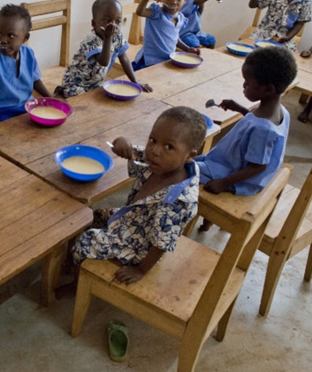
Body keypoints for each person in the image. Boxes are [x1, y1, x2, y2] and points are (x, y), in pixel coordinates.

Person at [58, 106, 206, 292]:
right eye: (153, 140)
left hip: (138, 245)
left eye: (169, 147)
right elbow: (134, 153)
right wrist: (122, 142)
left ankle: (76, 284)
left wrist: (140, 270)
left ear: (189, 156)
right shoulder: (160, 162)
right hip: (130, 220)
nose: (155, 151)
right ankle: (72, 262)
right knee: (89, 218)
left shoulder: (176, 202)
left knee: (86, 241)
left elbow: (161, 244)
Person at [194, 47, 296, 230]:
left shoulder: (263, 128)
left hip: (235, 176)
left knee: (180, 168)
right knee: (193, 159)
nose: (243, 86)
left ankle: (185, 214)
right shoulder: (279, 111)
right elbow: (255, 129)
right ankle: (208, 220)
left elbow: (258, 166)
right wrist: (241, 110)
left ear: (268, 89)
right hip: (231, 163)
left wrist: (224, 183)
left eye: (247, 83)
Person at [0, 4, 53, 125]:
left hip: (24, 106)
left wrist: (51, 99)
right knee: (12, 133)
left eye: (10, 35)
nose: (3, 40)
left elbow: (35, 80)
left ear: (25, 37)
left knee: (42, 123)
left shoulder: (28, 54)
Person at [54, 0, 150, 98]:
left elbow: (124, 58)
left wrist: (135, 81)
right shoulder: (92, 40)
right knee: (84, 99)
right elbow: (103, 62)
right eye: (106, 20)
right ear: (93, 24)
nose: (113, 26)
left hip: (95, 83)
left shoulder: (117, 35)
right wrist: (108, 37)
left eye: (118, 21)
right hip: (76, 84)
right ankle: (63, 91)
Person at [131, 0, 201, 70]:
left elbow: (174, 38)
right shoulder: (156, 13)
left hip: (166, 61)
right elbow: (140, 12)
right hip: (148, 62)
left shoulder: (181, 18)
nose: (173, 2)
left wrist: (187, 49)